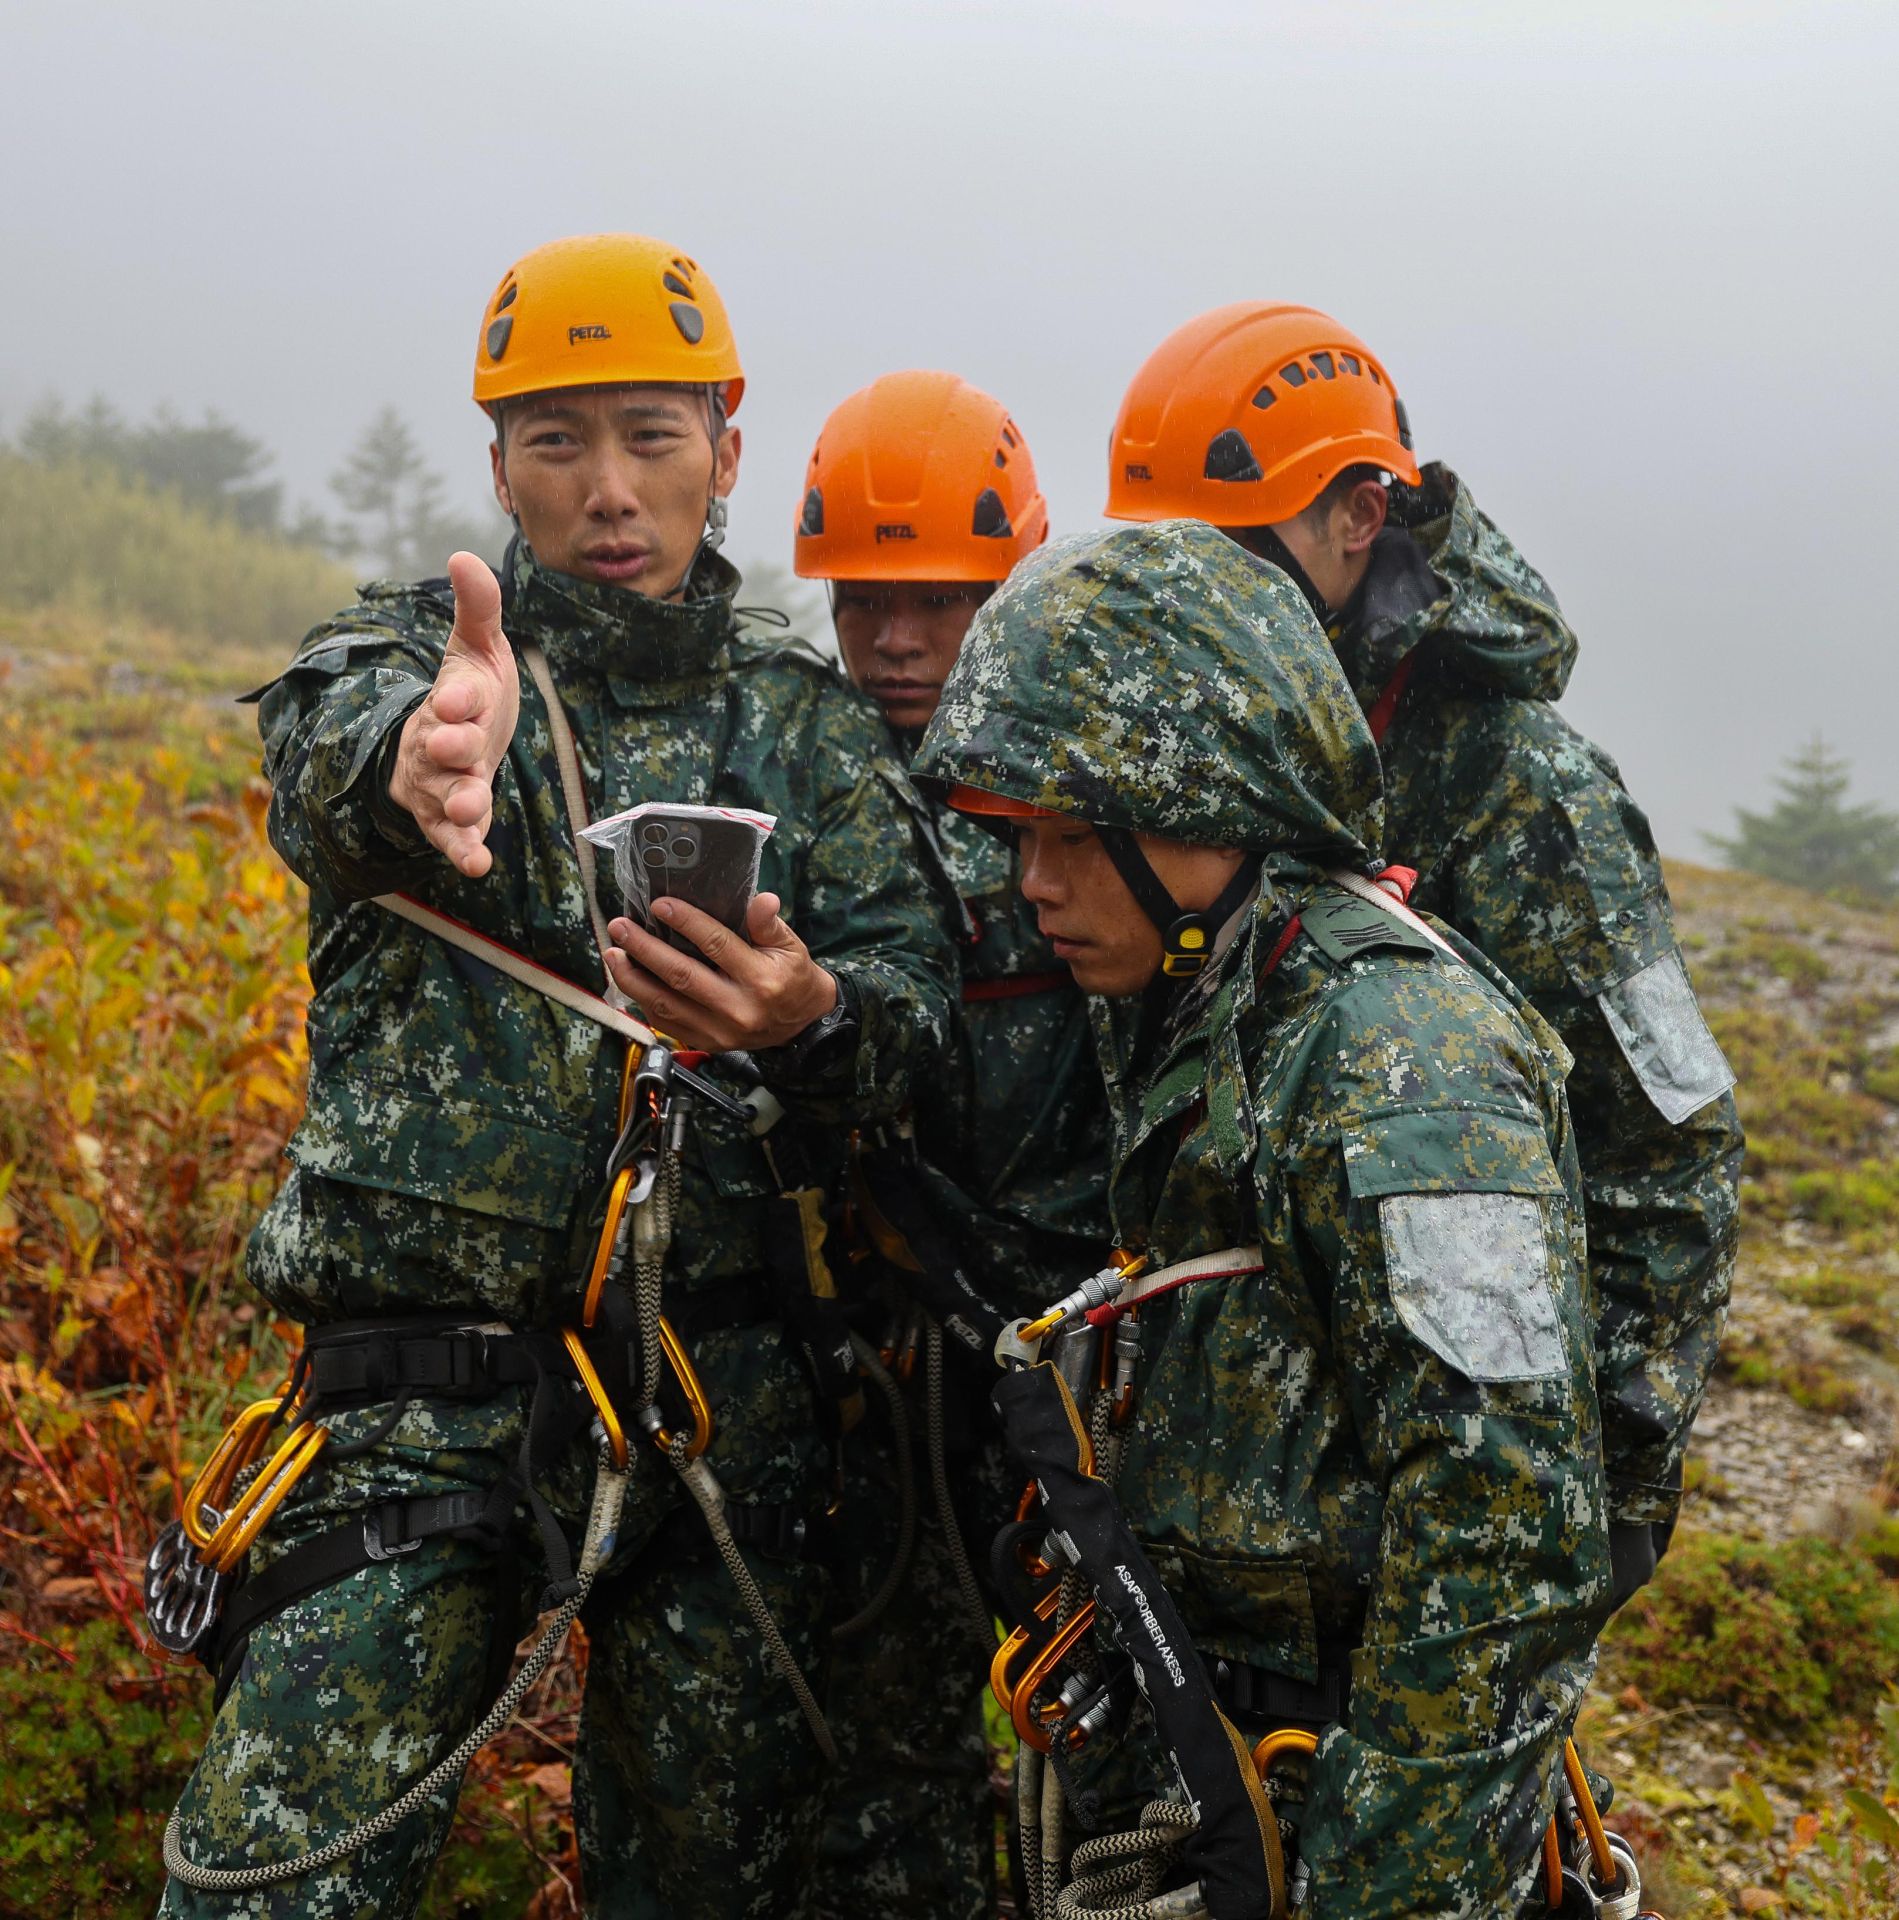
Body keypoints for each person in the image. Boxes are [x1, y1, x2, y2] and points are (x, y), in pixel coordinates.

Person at [156, 233, 954, 1920]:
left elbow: (921, 1027)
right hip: (420, 1403)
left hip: (724, 1406)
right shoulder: (418, 662)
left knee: (714, 1883)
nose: (609, 488)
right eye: (557, 441)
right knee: (272, 1883)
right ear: (497, 463)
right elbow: (333, 765)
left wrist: (812, 1018)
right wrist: (418, 759)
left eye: (652, 437)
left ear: (728, 452)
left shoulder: (809, 731)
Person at [912, 518, 1613, 1918]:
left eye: (1064, 834)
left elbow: (1505, 1531)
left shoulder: (1399, 1056)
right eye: (1016, 834)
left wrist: (1386, 1888)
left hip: (1335, 1801)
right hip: (1206, 1762)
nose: (1029, 882)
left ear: (1211, 803)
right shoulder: (1206, 1002)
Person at [1106, 304, 1742, 1602]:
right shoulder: (1199, 750)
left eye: (1235, 555)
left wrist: (1615, 1482)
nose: (1201, 603)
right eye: (1170, 556)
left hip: (1435, 1519)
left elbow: (1668, 1145)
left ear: (1357, 518)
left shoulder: (1523, 793)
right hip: (1200, 1505)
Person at [791, 369, 1110, 1918]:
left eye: (938, 603)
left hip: (1082, 1352)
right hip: (874, 1360)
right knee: (885, 1752)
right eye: (865, 606)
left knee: (1121, 1758)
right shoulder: (799, 784)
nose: (898, 643)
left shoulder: (1110, 783)